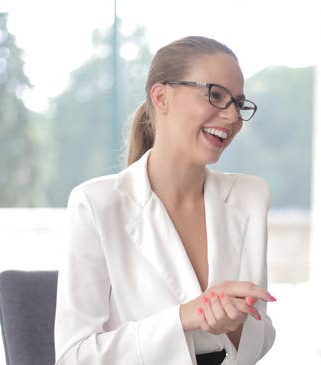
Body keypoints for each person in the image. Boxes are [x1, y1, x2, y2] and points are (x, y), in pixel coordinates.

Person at [54, 36, 276, 365]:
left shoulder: (250, 197)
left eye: (239, 103)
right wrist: (186, 317)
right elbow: (75, 357)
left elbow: (261, 332)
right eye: (216, 95)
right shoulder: (95, 205)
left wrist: (234, 325)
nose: (232, 117)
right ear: (161, 97)